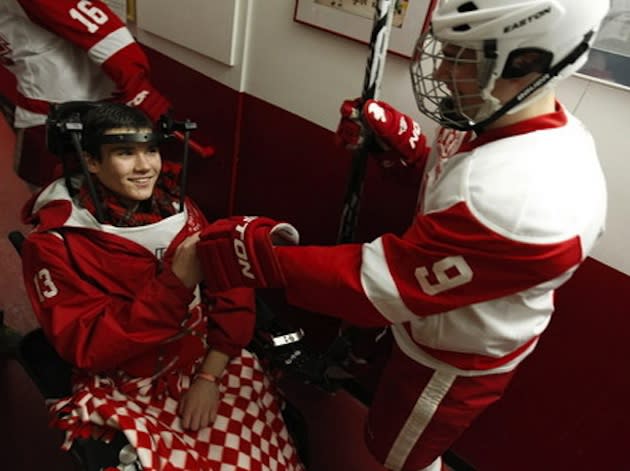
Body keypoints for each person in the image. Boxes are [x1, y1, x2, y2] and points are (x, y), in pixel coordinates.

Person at [193, 1, 610, 470]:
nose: (447, 73)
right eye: (447, 51)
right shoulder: (490, 112)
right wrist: (404, 150)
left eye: (463, 57)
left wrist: (250, 258)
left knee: (399, 456)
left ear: (526, 63)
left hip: (452, 359)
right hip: (427, 317)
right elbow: (450, 192)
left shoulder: (528, 202)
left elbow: (373, 286)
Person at [20, 102, 304, 471]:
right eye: (125, 153)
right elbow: (89, 346)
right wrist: (178, 282)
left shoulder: (181, 208)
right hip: (125, 380)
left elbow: (233, 295)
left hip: (207, 360)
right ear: (91, 162)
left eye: (151, 150)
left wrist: (208, 376)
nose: (145, 167)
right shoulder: (55, 243)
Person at [0, 0, 171, 189]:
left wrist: (137, 86)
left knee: (68, 196)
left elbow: (99, 28)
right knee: (48, 193)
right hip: (43, 107)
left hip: (68, 112)